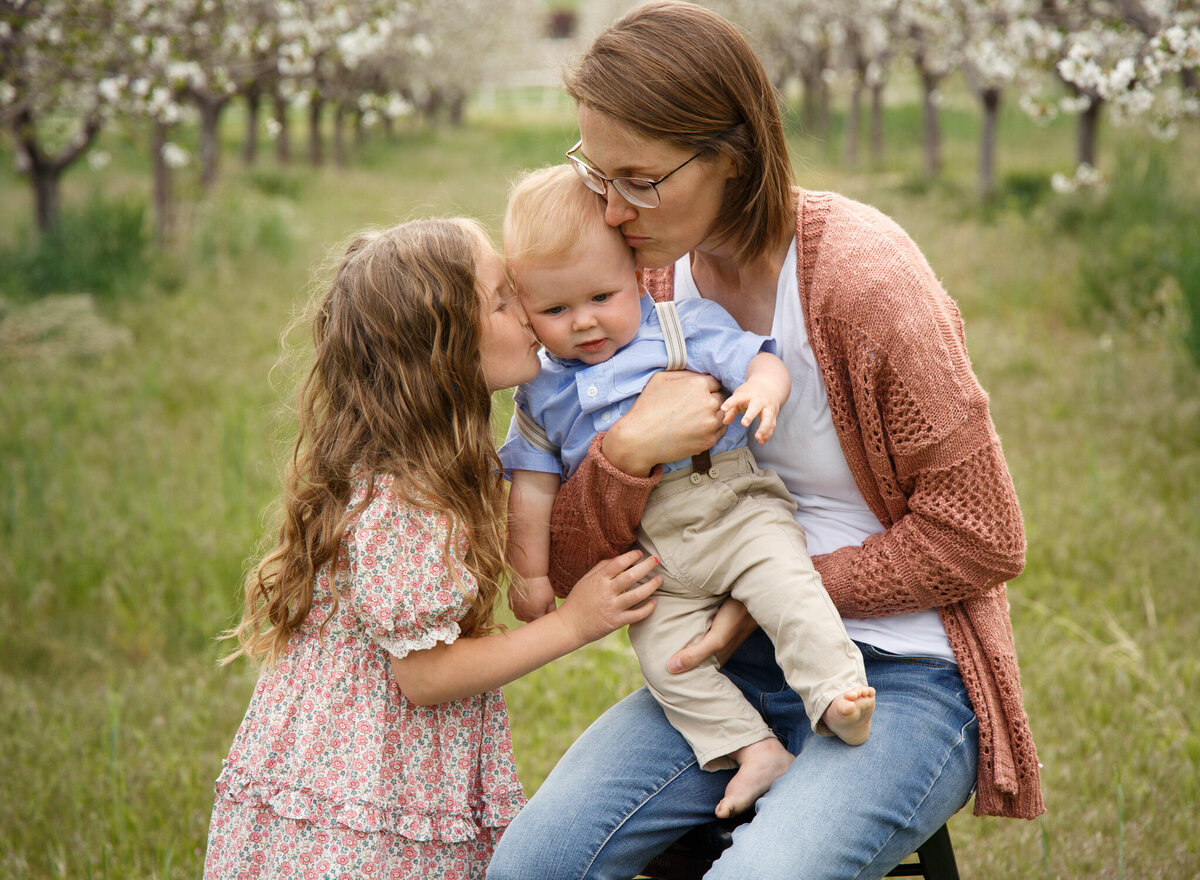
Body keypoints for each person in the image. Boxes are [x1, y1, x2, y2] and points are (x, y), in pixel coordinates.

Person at [486, 3, 1045, 879]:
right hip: (737, 675)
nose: (610, 208)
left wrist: (771, 592)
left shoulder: (865, 282)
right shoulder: (639, 287)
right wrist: (626, 459)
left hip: (907, 673)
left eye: (638, 179)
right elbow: (563, 564)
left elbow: (983, 536)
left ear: (732, 156)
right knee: (531, 867)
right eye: (596, 175)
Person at [202, 217, 664, 880]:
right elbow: (427, 676)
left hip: (358, 763)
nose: (529, 312)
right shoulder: (408, 496)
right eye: (503, 301)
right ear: (444, 350)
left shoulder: (430, 462)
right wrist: (575, 622)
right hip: (365, 786)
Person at [498, 164, 875, 820]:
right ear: (526, 310)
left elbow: (760, 358)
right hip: (655, 555)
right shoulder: (540, 393)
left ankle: (837, 692)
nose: (583, 322)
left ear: (634, 274)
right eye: (555, 310)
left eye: (601, 297)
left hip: (732, 505)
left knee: (787, 588)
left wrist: (763, 389)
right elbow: (532, 487)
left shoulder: (677, 327)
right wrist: (529, 571)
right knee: (666, 659)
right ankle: (750, 746)